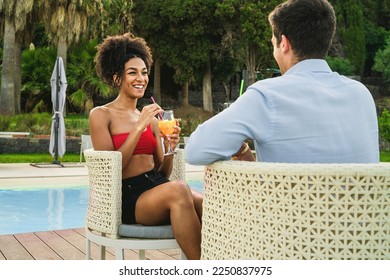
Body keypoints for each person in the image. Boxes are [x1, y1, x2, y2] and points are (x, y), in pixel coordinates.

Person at [186, 0, 379, 165]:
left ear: (284, 44)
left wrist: (241, 146)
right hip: (358, 209)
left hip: (288, 209)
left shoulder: (267, 96)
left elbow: (194, 151)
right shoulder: (361, 95)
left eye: (273, 44)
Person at [89, 33, 202, 260]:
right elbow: (111, 171)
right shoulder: (101, 115)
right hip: (128, 197)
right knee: (180, 189)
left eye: (144, 72)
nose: (140, 78)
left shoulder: (150, 118)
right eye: (132, 72)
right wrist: (138, 128)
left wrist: (170, 148)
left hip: (157, 187)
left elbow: (162, 172)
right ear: (117, 78)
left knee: (210, 204)